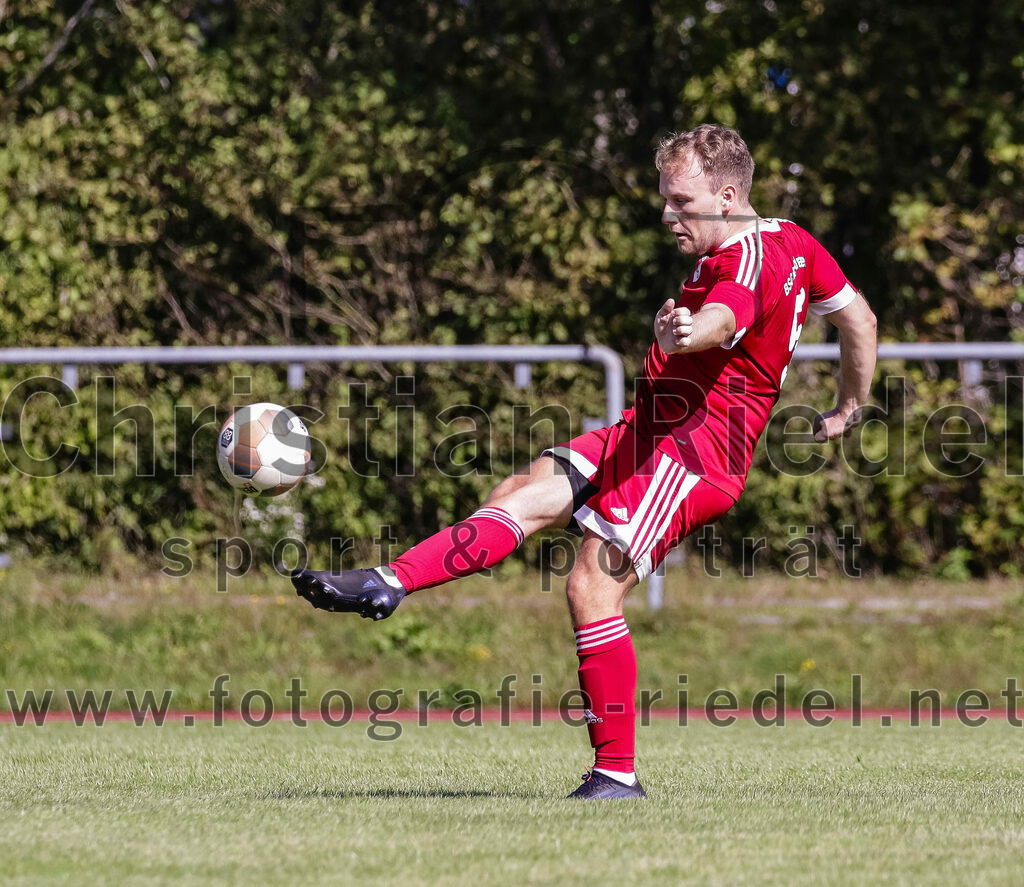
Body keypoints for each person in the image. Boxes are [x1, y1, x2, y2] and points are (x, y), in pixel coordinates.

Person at [291, 124, 878, 800]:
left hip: (690, 456)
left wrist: (691, 332)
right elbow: (857, 319)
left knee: (592, 587)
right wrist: (850, 405)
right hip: (647, 432)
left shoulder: (741, 263)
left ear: (725, 195)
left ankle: (615, 773)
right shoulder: (793, 241)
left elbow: (727, 314)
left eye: (681, 202)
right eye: (665, 199)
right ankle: (388, 581)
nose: (667, 214)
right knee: (525, 487)